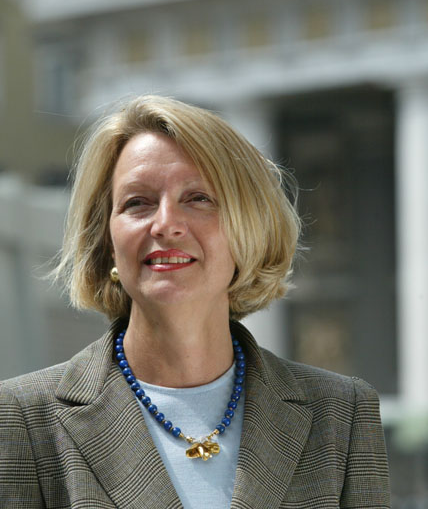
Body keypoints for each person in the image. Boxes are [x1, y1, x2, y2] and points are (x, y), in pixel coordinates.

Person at [0, 95, 390, 508]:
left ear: (248, 229)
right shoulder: (25, 418)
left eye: (198, 198)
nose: (166, 224)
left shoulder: (341, 414)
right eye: (138, 202)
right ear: (108, 241)